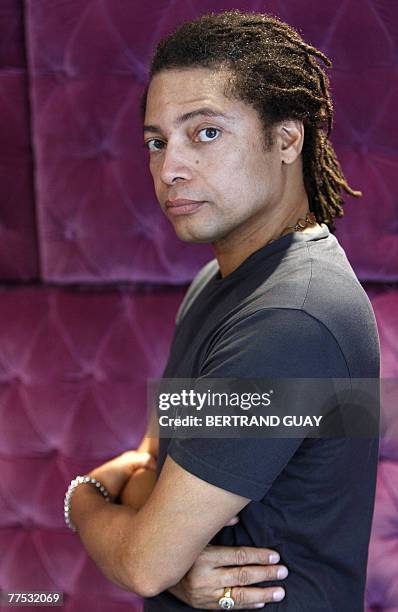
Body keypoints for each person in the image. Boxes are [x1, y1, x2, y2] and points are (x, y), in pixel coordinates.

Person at [64, 10, 380, 611]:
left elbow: (141, 563)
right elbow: (150, 458)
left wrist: (80, 500)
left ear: (287, 139)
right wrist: (163, 550)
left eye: (205, 131)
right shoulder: (217, 283)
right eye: (157, 142)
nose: (169, 168)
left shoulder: (293, 318)